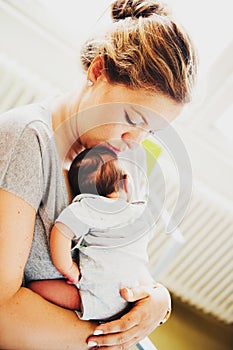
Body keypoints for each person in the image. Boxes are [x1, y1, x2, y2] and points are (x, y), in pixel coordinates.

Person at [0, 0, 197, 348]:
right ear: (97, 71)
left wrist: (157, 300)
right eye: (134, 120)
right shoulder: (26, 140)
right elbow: (3, 312)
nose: (136, 141)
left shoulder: (121, 158)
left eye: (151, 131)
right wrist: (112, 342)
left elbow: (118, 258)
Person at [28, 145, 156, 321]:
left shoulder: (87, 208)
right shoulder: (142, 214)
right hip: (129, 298)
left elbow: (61, 231)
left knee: (35, 287)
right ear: (126, 182)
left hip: (93, 295)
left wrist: (68, 269)